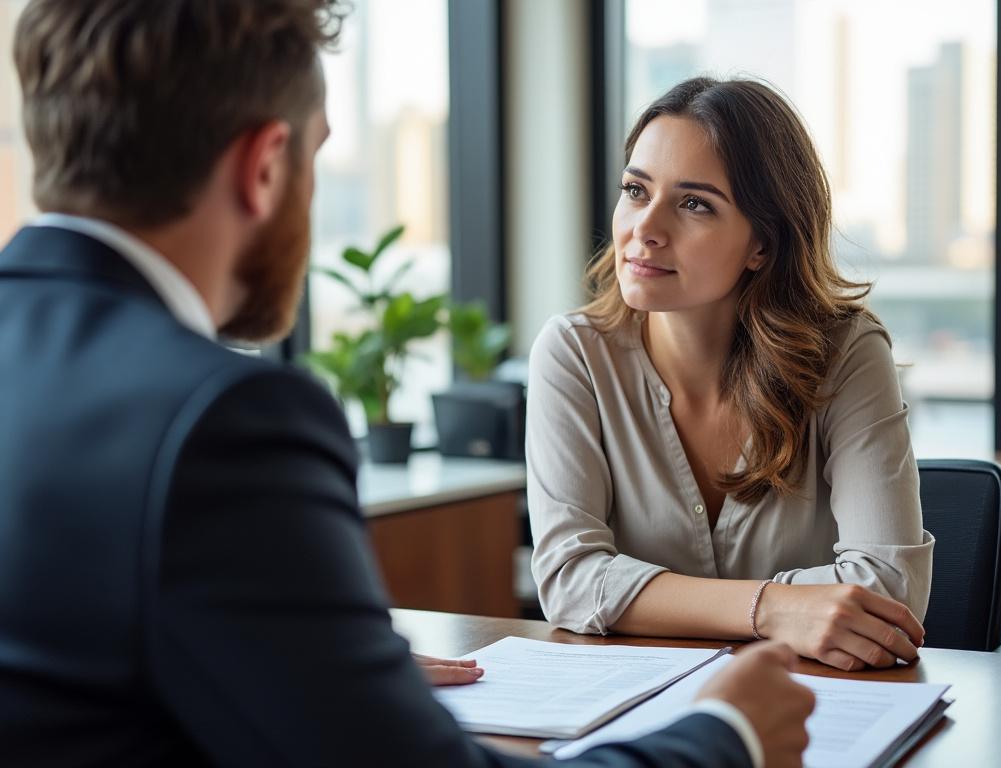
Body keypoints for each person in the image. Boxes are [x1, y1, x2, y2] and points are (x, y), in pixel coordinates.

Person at [0, 2, 815, 767]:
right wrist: (726, 735)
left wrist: (318, 669)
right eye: (319, 156)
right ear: (264, 166)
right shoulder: (223, 421)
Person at [527, 76, 935, 673]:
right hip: (636, 713)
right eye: (636, 190)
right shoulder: (573, 354)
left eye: (694, 204)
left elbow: (888, 588)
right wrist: (775, 609)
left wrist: (642, 597)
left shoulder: (847, 352)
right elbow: (568, 580)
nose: (645, 228)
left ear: (762, 245)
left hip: (813, 709)